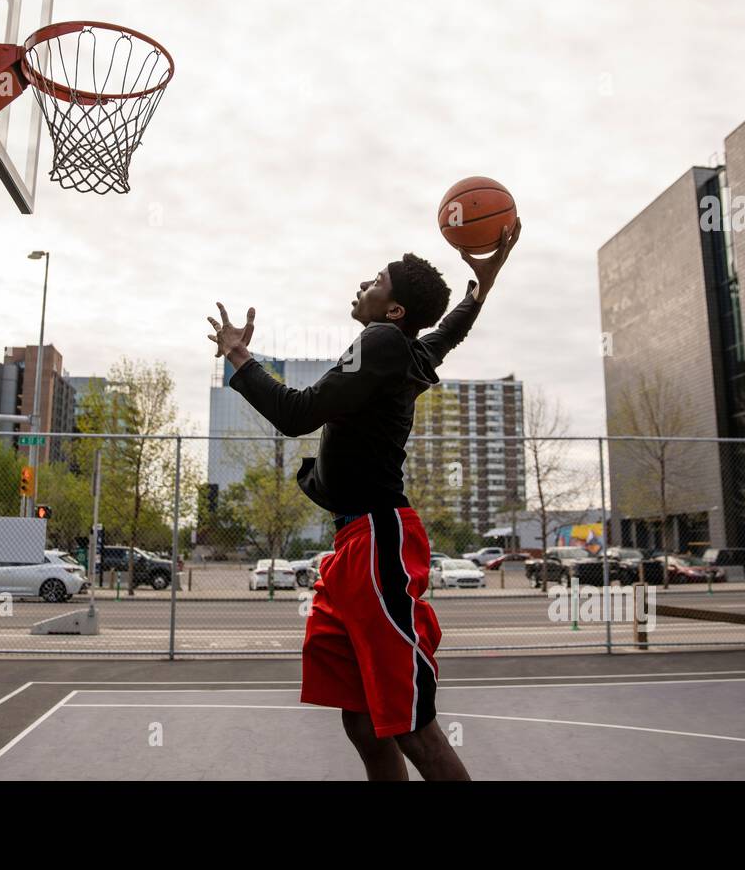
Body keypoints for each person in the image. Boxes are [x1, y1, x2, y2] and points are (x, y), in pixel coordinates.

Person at [206, 218, 520, 780]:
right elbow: (449, 333)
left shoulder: (381, 342)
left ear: (394, 310)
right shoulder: (406, 351)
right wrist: (481, 288)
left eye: (376, 281)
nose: (364, 285)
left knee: (408, 724)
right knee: (361, 718)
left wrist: (239, 358)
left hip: (378, 541)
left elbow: (298, 412)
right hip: (354, 542)